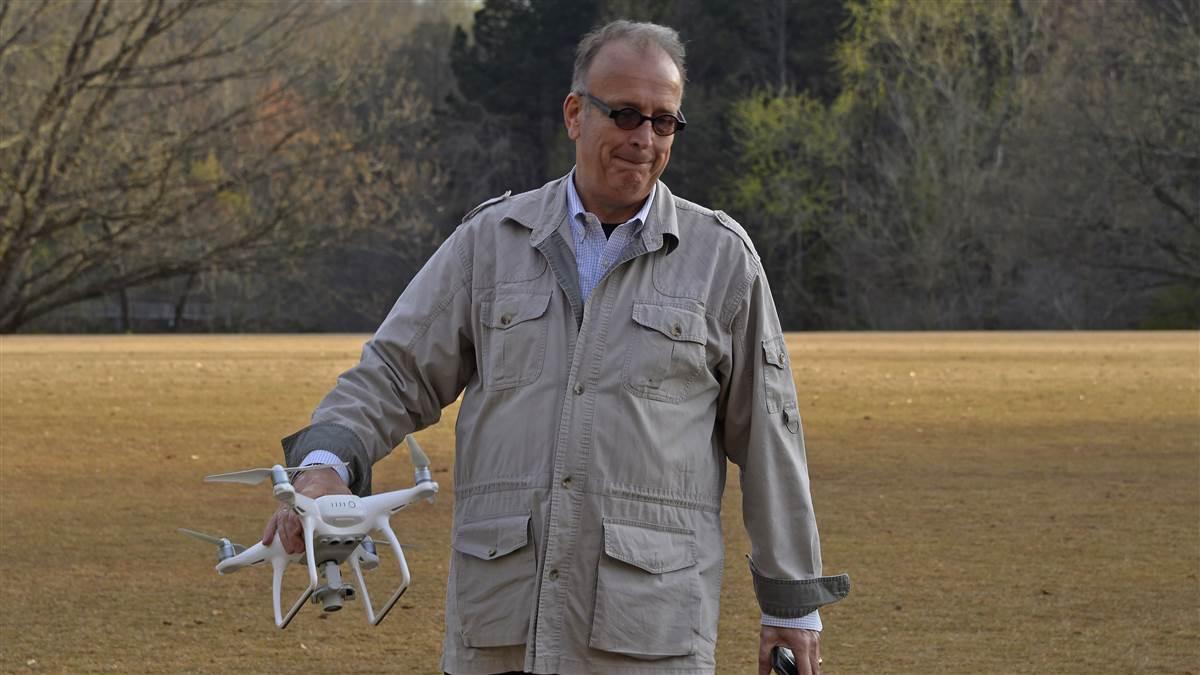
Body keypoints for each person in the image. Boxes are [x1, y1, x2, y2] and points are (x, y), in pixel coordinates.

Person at [262, 19, 848, 675]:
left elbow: (771, 438)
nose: (644, 139)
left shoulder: (722, 262)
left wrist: (792, 606)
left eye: (664, 122)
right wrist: (326, 461)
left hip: (648, 636)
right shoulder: (490, 242)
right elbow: (393, 374)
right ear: (575, 113)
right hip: (501, 626)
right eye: (624, 114)